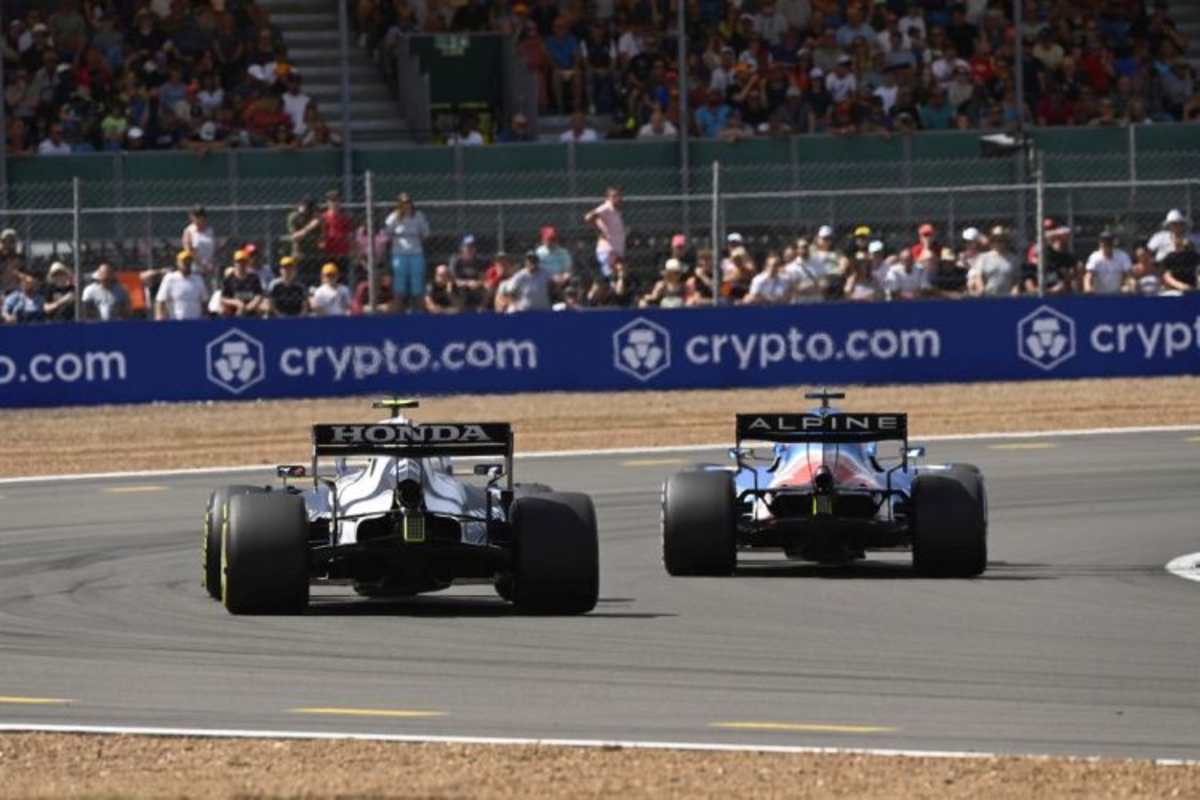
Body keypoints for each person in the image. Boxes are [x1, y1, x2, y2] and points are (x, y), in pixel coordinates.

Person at [384, 193, 430, 313]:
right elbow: (386, 233)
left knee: (417, 285)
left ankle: (418, 312)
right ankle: (399, 312)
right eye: (403, 203)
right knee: (400, 286)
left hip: (416, 254)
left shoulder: (418, 216)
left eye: (408, 202)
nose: (406, 205)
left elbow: (425, 233)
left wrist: (416, 236)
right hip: (399, 254)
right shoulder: (394, 217)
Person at [583, 186, 625, 277]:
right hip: (607, 250)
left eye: (619, 195)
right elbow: (588, 217)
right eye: (614, 196)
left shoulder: (616, 210)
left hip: (616, 250)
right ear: (608, 198)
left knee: (618, 276)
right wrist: (599, 231)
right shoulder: (606, 207)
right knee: (610, 278)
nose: (617, 198)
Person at [155, 251, 209, 320]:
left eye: (189, 262)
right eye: (184, 262)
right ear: (177, 263)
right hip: (176, 322)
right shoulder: (170, 278)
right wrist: (159, 315)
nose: (187, 264)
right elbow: (160, 300)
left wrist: (205, 316)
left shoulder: (198, 279)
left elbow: (204, 301)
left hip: (195, 322)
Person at [968, 227, 1018, 297]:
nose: (998, 243)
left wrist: (1015, 291)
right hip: (988, 296)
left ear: (1006, 241)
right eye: (995, 240)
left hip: (1007, 297)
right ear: (992, 241)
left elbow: (1016, 279)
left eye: (1001, 240)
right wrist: (981, 289)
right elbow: (978, 276)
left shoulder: (1013, 258)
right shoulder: (983, 257)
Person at [1083, 230, 1132, 295]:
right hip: (1099, 296)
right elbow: (1088, 275)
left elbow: (1128, 275)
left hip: (1119, 296)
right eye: (1104, 241)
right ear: (1100, 243)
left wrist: (1128, 285)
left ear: (1114, 243)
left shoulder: (1123, 256)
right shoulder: (1094, 257)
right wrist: (1087, 287)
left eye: (1109, 242)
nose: (1107, 244)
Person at [220, 250, 267, 317]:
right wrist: (237, 303)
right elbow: (223, 298)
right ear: (234, 263)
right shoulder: (229, 279)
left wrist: (249, 307)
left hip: (251, 307)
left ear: (247, 263)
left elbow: (259, 295)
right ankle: (225, 325)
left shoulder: (254, 278)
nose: (241, 264)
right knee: (222, 309)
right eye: (238, 261)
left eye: (243, 261)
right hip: (234, 309)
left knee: (265, 305)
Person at [287, 198, 322, 284]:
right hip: (299, 255)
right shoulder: (294, 217)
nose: (307, 211)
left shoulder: (316, 217)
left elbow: (321, 238)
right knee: (299, 281)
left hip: (314, 255)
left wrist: (317, 221)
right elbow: (295, 237)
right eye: (304, 207)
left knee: (315, 282)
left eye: (309, 208)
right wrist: (309, 227)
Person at [320, 190, 355, 274]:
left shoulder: (345, 218)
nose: (334, 203)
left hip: (342, 253)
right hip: (328, 253)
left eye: (337, 200)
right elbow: (321, 234)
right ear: (328, 202)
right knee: (328, 274)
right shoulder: (323, 217)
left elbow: (350, 235)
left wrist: (352, 249)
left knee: (342, 276)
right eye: (332, 201)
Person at [181, 206, 216, 285]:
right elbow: (189, 250)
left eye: (201, 216)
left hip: (209, 268)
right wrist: (202, 265)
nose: (199, 219)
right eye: (196, 216)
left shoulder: (210, 230)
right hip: (195, 269)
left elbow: (213, 248)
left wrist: (211, 264)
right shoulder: (189, 231)